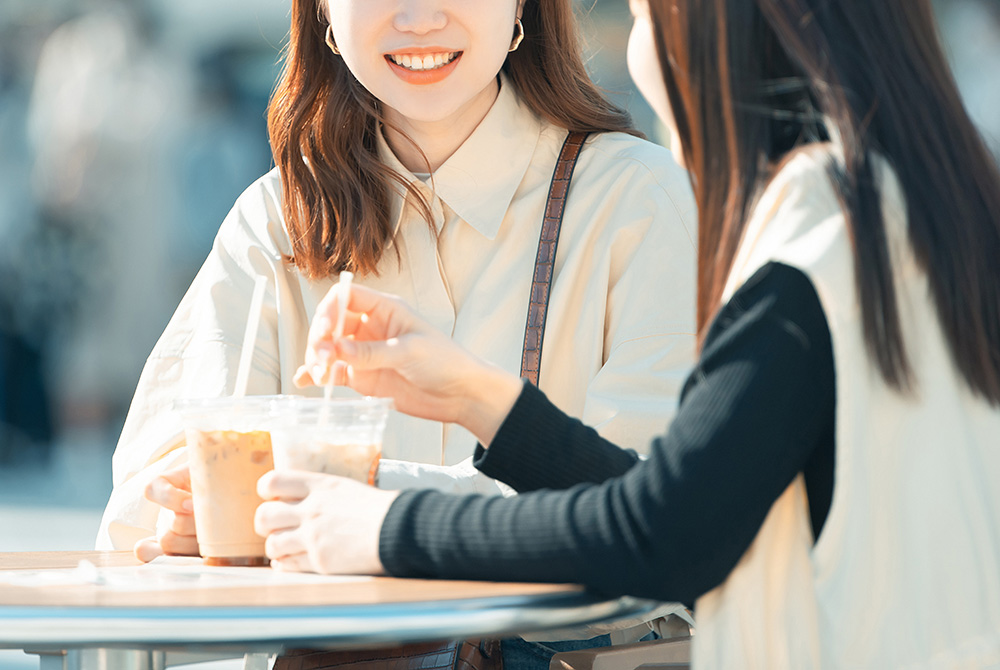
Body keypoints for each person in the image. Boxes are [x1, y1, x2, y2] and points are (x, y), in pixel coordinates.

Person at [257, 0, 1000, 667]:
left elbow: (662, 537)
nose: (639, 55)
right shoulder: (908, 217)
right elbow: (687, 501)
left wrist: (390, 527)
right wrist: (479, 398)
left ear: (719, 31)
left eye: (647, 18)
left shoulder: (812, 245)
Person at [97, 0, 698, 662]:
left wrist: (350, 513)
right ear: (323, 11)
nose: (418, 18)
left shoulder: (637, 202)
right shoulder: (273, 225)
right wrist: (196, 525)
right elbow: (136, 524)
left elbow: (660, 517)